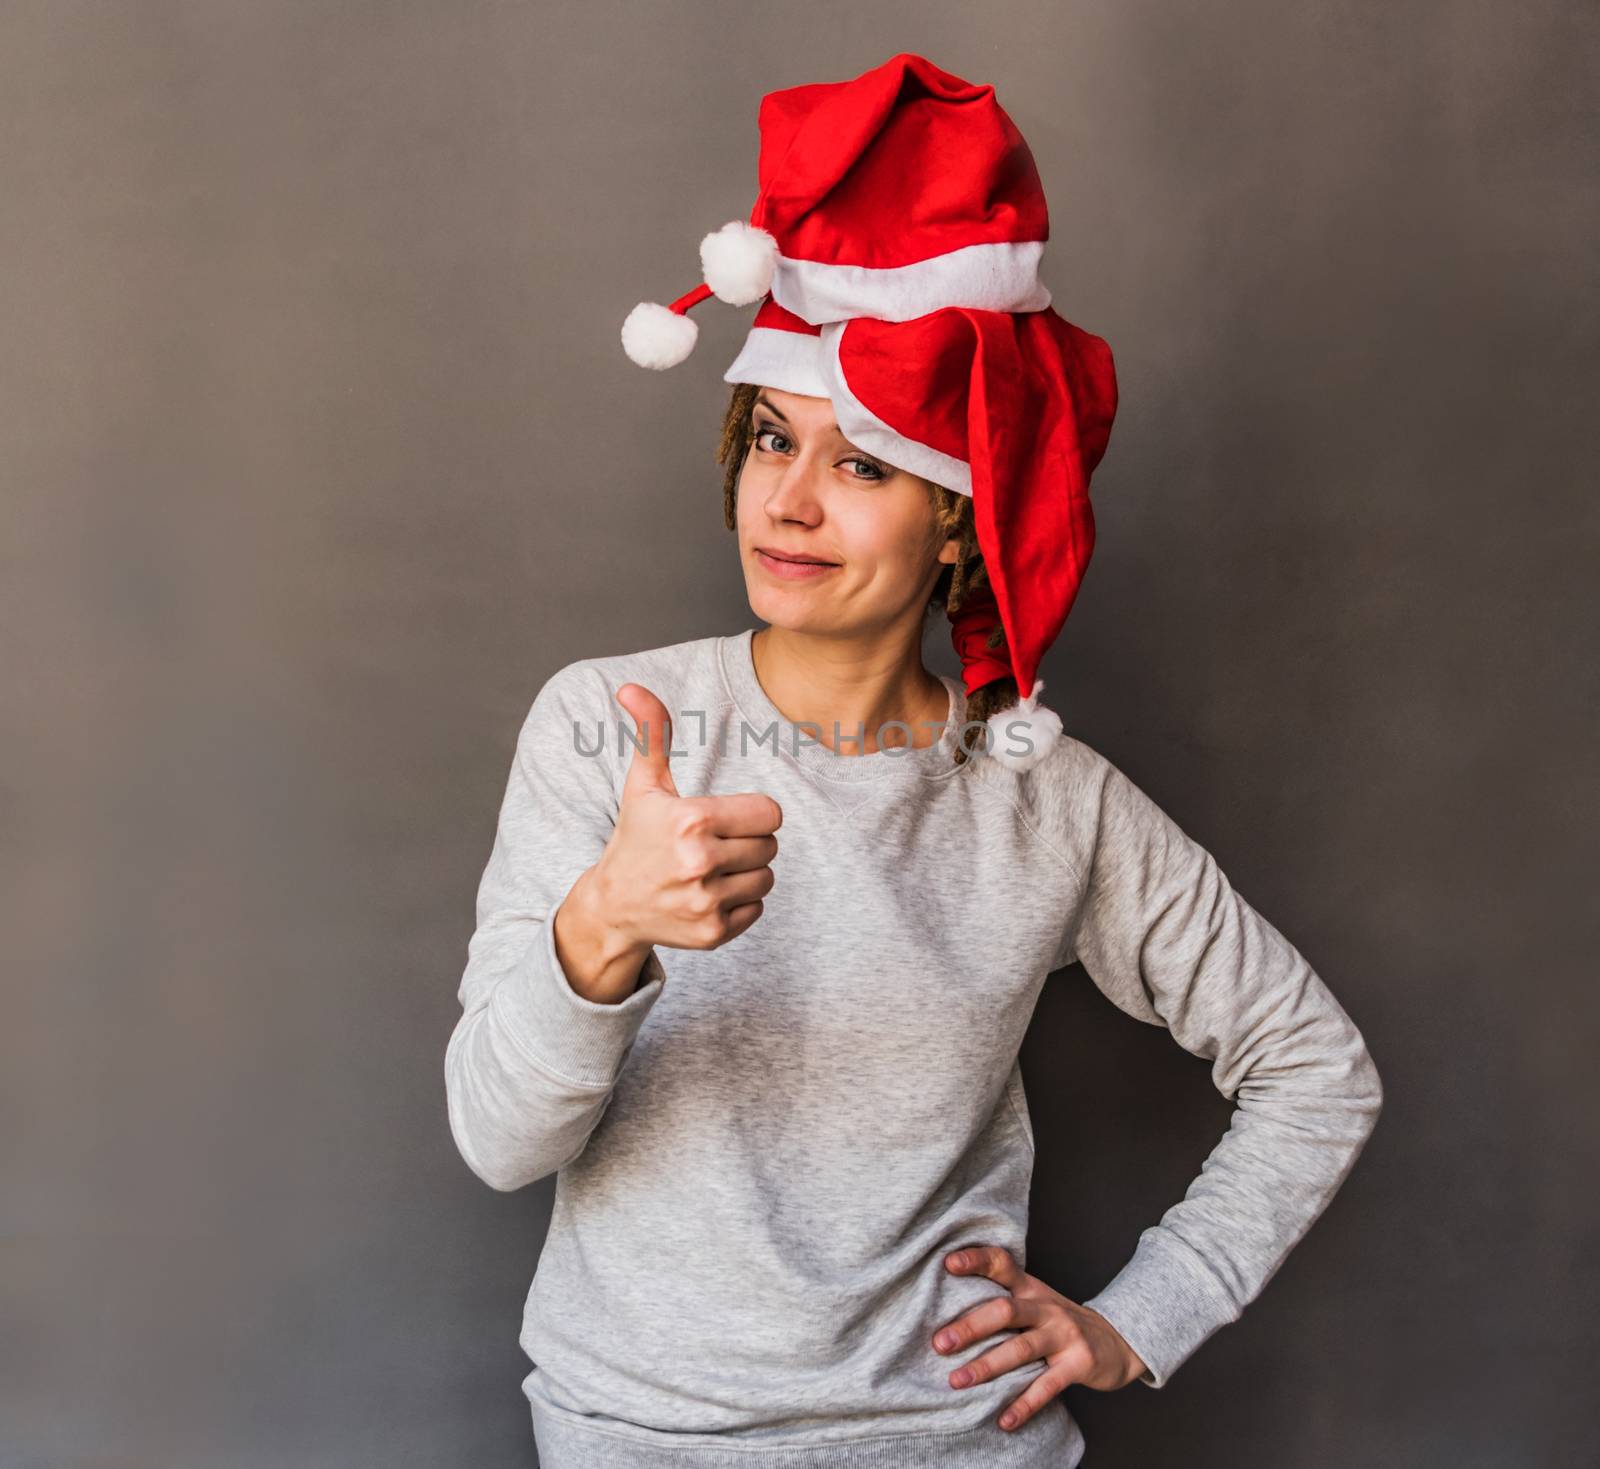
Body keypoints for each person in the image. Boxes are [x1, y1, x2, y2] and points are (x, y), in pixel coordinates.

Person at [444, 53, 1384, 1469]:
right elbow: (496, 1138)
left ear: (960, 519)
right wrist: (604, 928)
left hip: (958, 1443)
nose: (792, 498)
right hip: (644, 1438)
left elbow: (1318, 1066)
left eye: (866, 463)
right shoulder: (610, 720)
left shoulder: (1045, 798)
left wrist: (1144, 1315)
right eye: (773, 439)